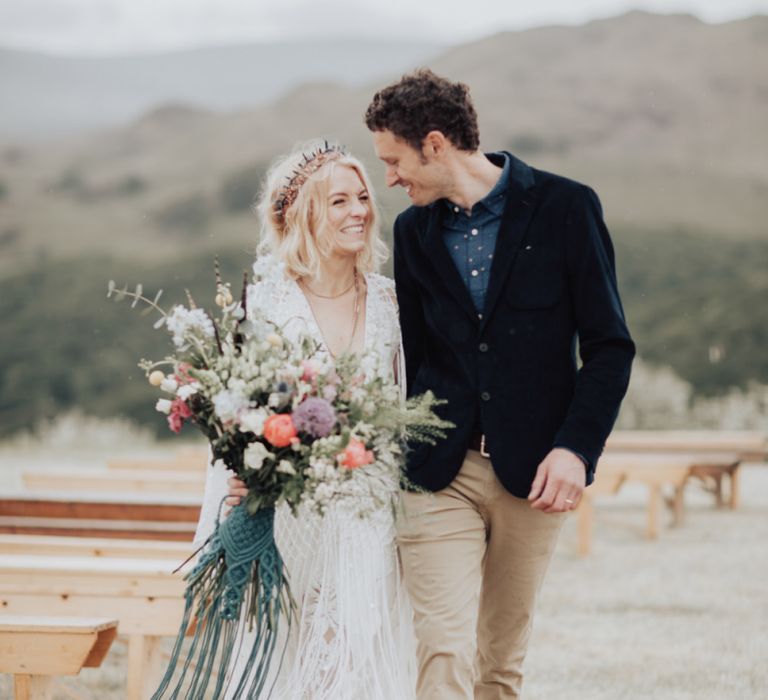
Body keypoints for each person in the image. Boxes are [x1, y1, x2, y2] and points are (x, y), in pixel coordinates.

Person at [363, 69, 636, 699]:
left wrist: (575, 449)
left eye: (394, 160)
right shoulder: (413, 233)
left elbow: (609, 348)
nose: (390, 180)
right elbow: (411, 353)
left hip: (536, 475)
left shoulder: (568, 208)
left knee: (501, 662)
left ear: (434, 144)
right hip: (437, 473)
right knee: (444, 648)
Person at [194, 141, 416, 699]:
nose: (359, 211)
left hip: (371, 505)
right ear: (300, 214)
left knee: (356, 651)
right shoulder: (265, 303)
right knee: (283, 652)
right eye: (338, 200)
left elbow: (409, 405)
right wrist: (230, 505)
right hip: (292, 510)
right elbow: (236, 419)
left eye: (363, 197)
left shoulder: (393, 303)